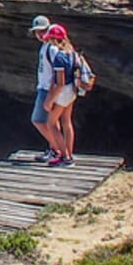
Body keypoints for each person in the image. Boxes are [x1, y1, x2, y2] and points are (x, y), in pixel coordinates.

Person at [41, 24, 79, 166]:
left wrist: (49, 100)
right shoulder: (72, 53)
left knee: (51, 124)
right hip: (72, 91)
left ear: (54, 39)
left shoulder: (59, 57)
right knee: (66, 122)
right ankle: (69, 154)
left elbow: (60, 83)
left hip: (63, 93)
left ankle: (65, 157)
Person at [26, 15, 61, 162]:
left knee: (38, 120)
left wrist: (51, 94)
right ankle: (54, 150)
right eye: (37, 32)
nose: (40, 34)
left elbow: (57, 72)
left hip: (48, 89)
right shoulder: (45, 46)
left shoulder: (52, 48)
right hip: (45, 88)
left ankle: (58, 149)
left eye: (42, 31)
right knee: (51, 122)